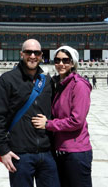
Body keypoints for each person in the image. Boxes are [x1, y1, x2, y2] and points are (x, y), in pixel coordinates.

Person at [0, 39, 60, 187]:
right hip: (20, 155)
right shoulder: (7, 80)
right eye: (28, 52)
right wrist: (3, 150)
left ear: (41, 55)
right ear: (21, 54)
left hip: (47, 153)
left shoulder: (47, 82)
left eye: (36, 53)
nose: (32, 56)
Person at [32, 46, 93, 187]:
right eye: (57, 60)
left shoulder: (79, 86)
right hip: (60, 150)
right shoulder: (58, 84)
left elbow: (76, 121)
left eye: (65, 60)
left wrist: (48, 124)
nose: (61, 64)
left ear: (73, 63)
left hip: (76, 152)